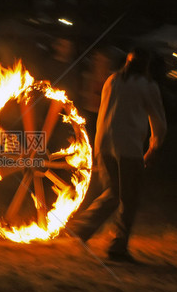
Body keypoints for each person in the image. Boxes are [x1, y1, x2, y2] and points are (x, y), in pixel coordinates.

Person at [68, 48, 167, 262]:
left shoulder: (112, 80)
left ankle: (83, 227)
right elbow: (158, 122)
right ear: (147, 66)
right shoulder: (148, 86)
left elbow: (104, 112)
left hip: (103, 145)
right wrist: (154, 147)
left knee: (114, 192)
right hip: (128, 148)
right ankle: (118, 247)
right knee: (128, 197)